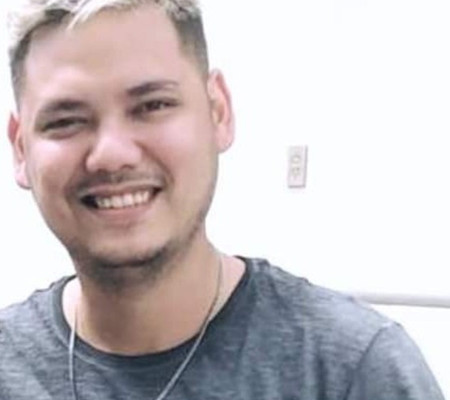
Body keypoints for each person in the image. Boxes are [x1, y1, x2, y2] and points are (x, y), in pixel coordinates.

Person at [0, 0, 445, 399]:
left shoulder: (350, 372)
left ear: (218, 113)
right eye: (66, 121)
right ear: (21, 149)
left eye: (152, 105)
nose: (112, 154)